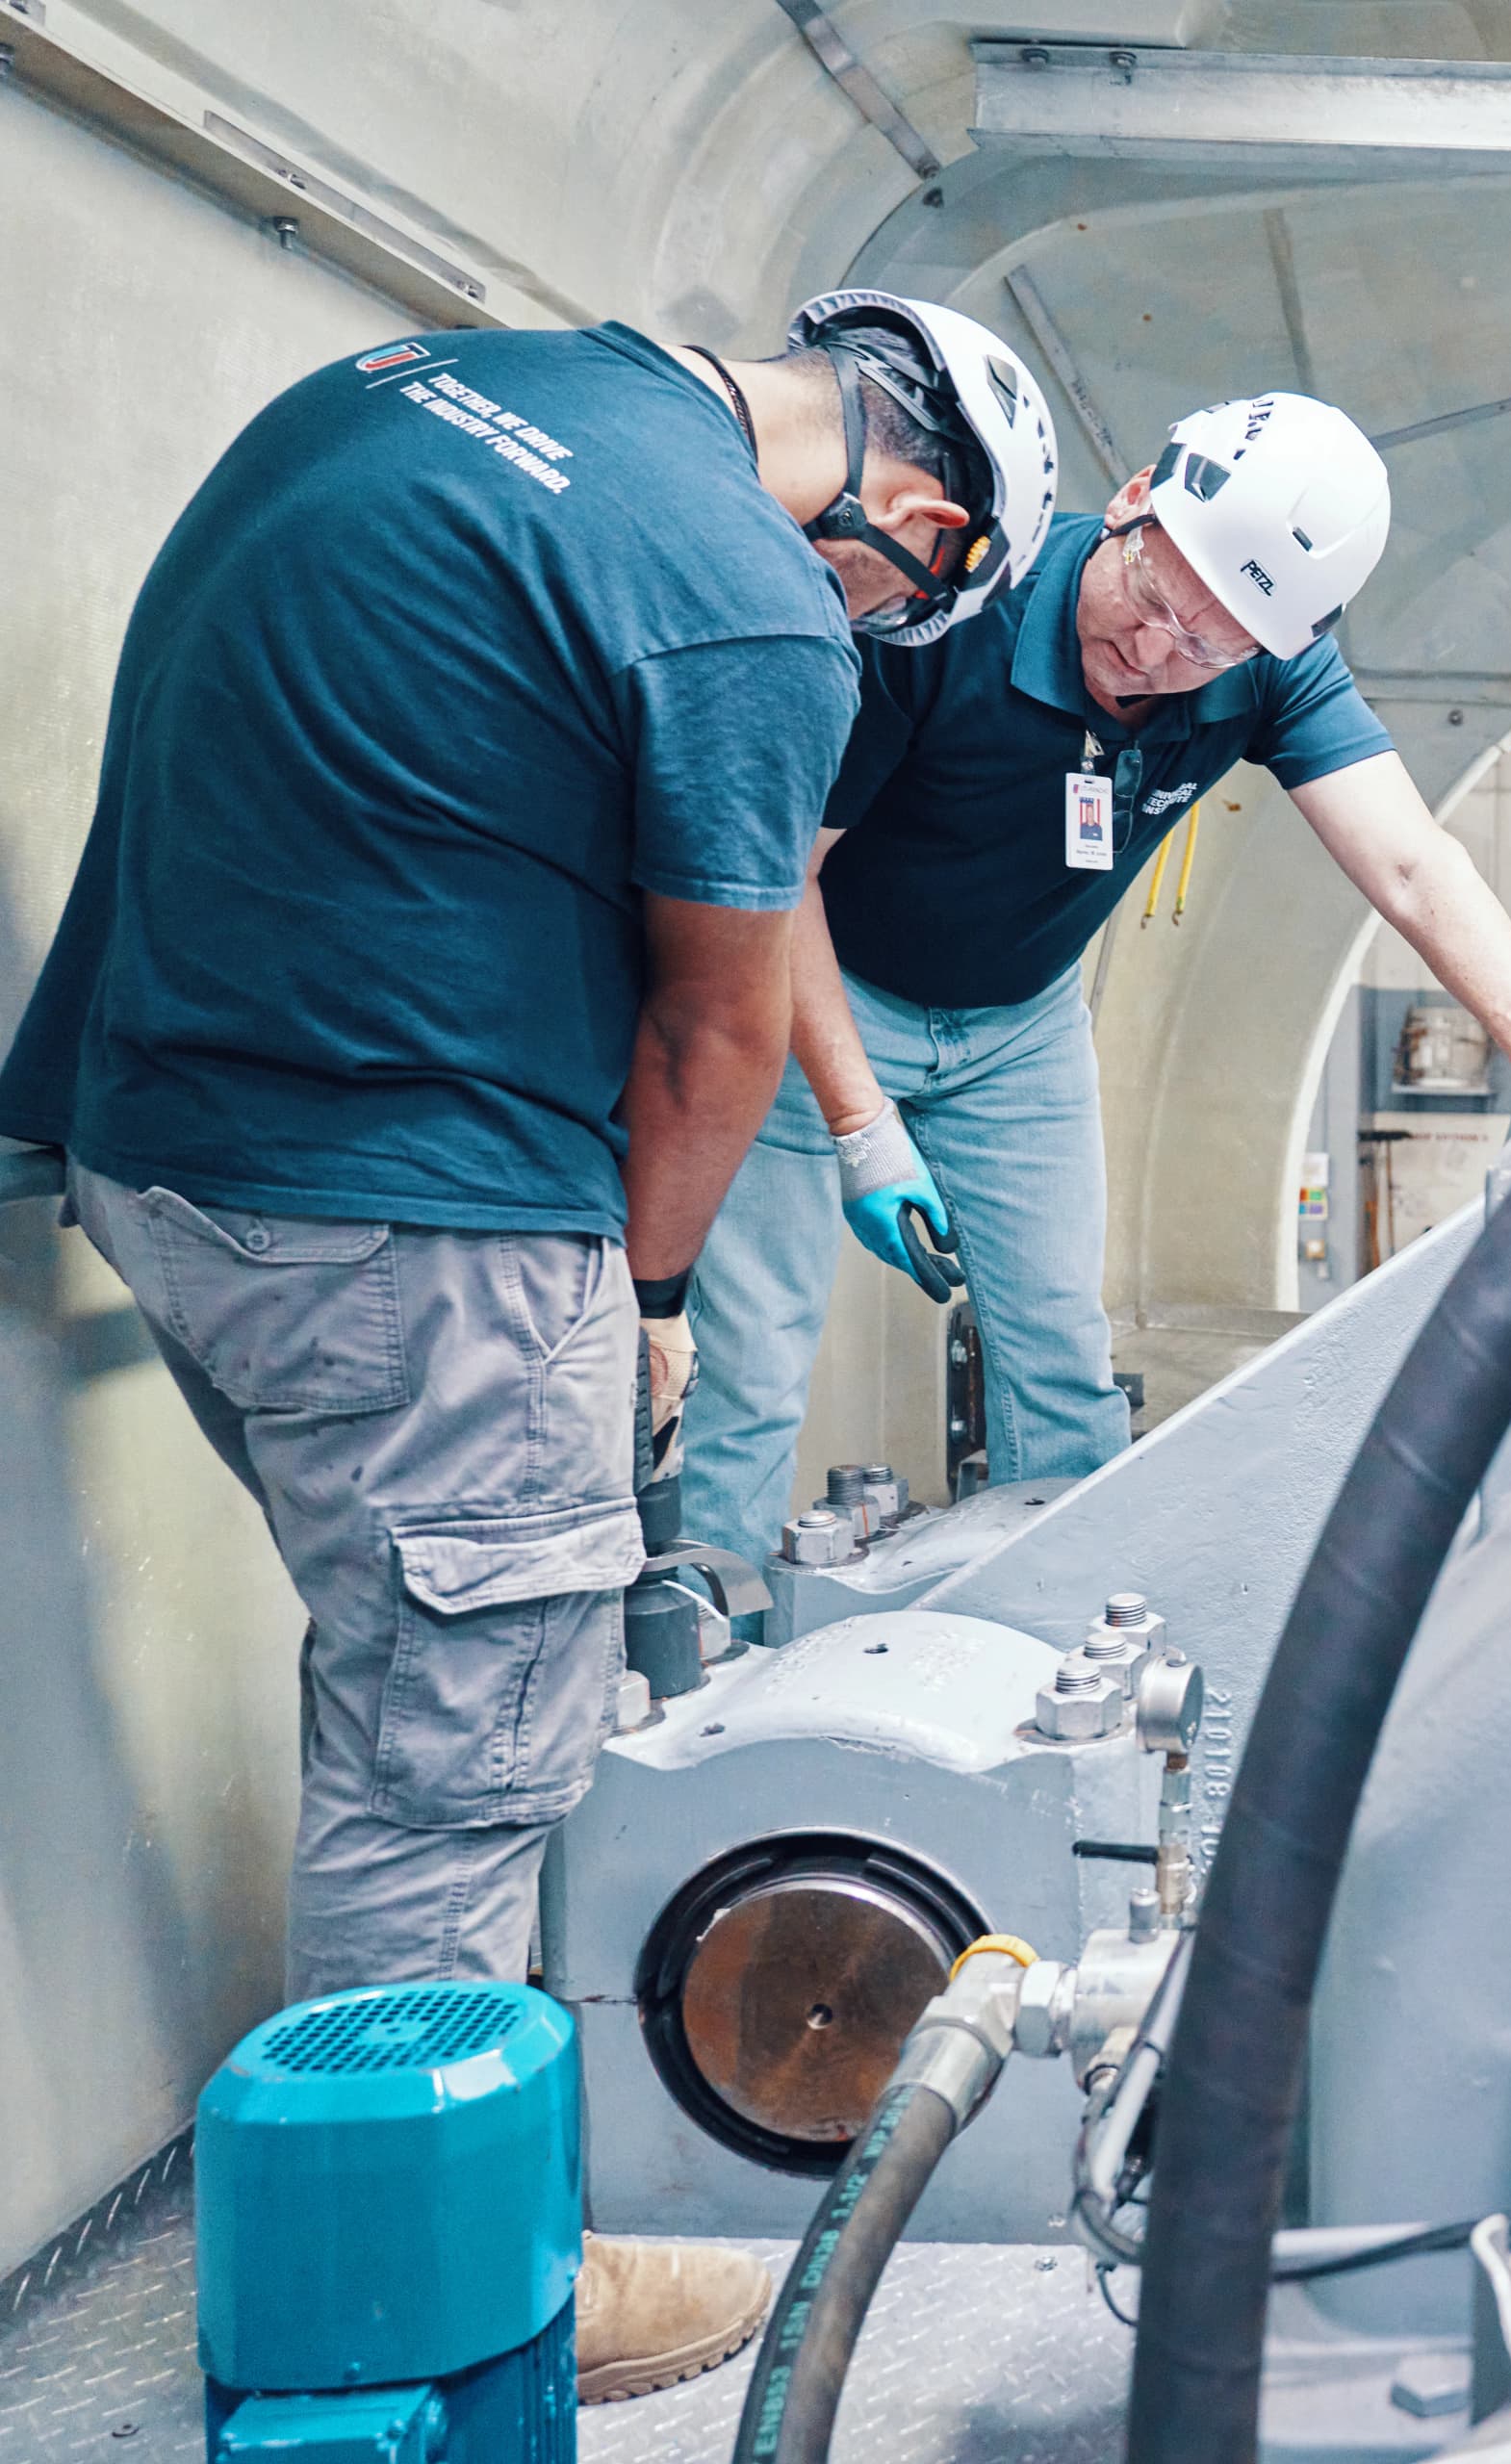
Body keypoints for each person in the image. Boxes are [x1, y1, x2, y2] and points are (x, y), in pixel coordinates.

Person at [0, 291, 1059, 2401]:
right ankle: (455, 2293)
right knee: (460, 1764)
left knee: (404, 1655)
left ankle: (385, 2172)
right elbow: (720, 1025)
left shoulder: (409, 385)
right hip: (416, 1220)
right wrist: (647, 1308)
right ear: (918, 517)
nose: (880, 629)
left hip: (159, 1143)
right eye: (910, 608)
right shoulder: (759, 602)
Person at [677, 392, 1511, 1570]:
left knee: (1059, 1356)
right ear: (1133, 502)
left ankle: (1049, 1637)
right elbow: (783, 879)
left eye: (1212, 645)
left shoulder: (1266, 670)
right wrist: (861, 1123)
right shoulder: (960, 608)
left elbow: (1412, 863)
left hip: (1019, 1025)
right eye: (1158, 601)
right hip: (822, 984)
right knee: (760, 1349)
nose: (1158, 654)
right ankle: (704, 1634)